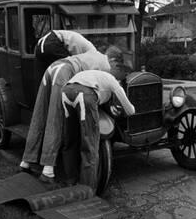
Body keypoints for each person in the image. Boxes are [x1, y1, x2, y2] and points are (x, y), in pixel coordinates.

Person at [20, 47, 123, 182]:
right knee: (56, 118)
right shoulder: (105, 64)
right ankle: (48, 170)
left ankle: (26, 161)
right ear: (113, 60)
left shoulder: (93, 54)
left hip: (53, 68)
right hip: (64, 71)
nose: (114, 68)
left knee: (40, 115)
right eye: (116, 65)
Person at [61, 70, 135, 190]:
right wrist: (133, 109)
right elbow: (130, 110)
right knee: (90, 144)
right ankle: (87, 187)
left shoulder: (97, 75)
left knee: (70, 139)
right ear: (119, 81)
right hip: (84, 94)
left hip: (66, 91)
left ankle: (71, 180)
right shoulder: (113, 82)